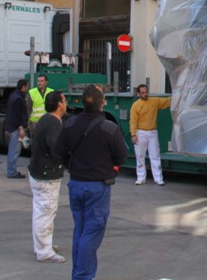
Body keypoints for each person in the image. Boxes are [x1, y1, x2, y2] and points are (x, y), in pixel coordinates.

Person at [56, 85, 128, 280]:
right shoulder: (109, 128)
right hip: (97, 187)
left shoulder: (69, 124)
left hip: (76, 184)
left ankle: (78, 274)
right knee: (92, 231)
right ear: (102, 102)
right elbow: (122, 156)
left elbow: (58, 152)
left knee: (80, 230)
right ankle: (83, 276)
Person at [28, 90, 68, 264]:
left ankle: (42, 245)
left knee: (42, 211)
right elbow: (56, 149)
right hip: (46, 175)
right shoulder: (53, 123)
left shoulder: (45, 119)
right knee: (45, 212)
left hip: (38, 172)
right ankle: (44, 251)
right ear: (59, 104)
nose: (66, 104)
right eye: (64, 100)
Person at [130, 84, 171, 186]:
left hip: (152, 132)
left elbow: (167, 101)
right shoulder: (136, 105)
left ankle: (158, 179)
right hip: (140, 132)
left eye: (146, 92)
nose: (145, 94)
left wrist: (178, 94)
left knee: (155, 156)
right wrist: (133, 134)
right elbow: (133, 121)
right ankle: (140, 178)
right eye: (143, 93)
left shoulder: (154, 101)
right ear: (139, 94)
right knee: (140, 156)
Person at [3, 79, 29, 178]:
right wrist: (21, 128)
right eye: (27, 86)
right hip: (15, 128)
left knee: (12, 149)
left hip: (11, 126)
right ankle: (12, 172)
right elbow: (17, 115)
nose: (27, 88)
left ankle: (11, 170)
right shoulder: (19, 99)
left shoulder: (13, 96)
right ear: (23, 87)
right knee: (15, 150)